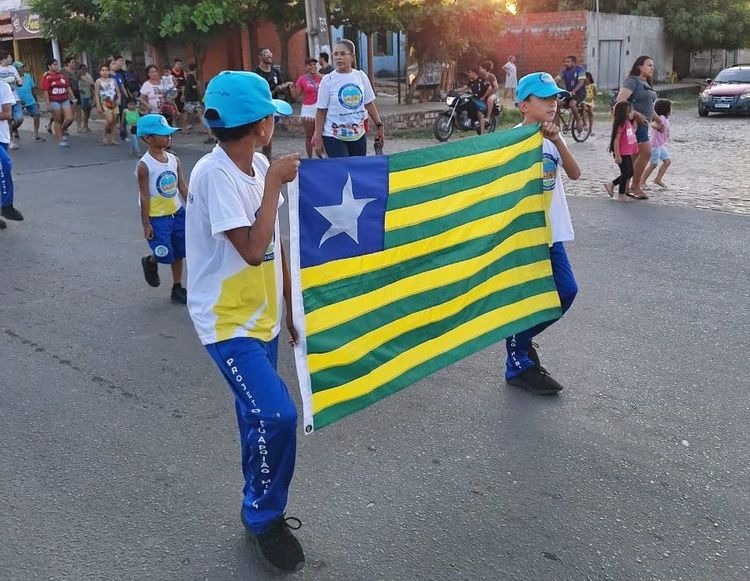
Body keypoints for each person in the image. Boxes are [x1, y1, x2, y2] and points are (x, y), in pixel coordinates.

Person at [185, 70, 303, 572]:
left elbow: (274, 247)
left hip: (264, 319)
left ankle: (256, 497)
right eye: (271, 117)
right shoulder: (216, 175)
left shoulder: (255, 163)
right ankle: (262, 515)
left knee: (255, 417)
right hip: (229, 326)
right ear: (259, 125)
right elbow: (253, 249)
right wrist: (276, 181)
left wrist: (289, 305)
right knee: (277, 416)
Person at [505, 72, 580, 395]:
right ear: (524, 105)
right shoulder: (510, 141)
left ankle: (519, 340)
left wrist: (558, 139)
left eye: (555, 98)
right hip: (524, 236)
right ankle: (518, 359)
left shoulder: (552, 139)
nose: (553, 104)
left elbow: (576, 173)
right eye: (544, 99)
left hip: (552, 233)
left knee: (566, 290)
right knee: (528, 297)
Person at [135, 113, 188, 304]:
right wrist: (146, 223)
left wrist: (193, 207)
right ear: (148, 138)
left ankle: (177, 286)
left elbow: (182, 187)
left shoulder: (174, 160)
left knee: (179, 251)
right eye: (163, 134)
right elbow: (144, 195)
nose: (168, 137)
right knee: (163, 252)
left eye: (169, 133)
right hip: (158, 217)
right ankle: (150, 262)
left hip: (177, 213)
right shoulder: (144, 165)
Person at [314, 39, 385, 158]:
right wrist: (318, 138)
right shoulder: (328, 80)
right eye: (335, 54)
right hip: (334, 136)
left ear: (352, 56)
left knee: (356, 171)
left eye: (342, 54)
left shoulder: (360, 76)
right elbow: (321, 111)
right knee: (342, 171)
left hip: (358, 136)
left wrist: (379, 125)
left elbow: (369, 104)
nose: (338, 58)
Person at [614, 55, 662, 199]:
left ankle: (624, 187)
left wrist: (657, 119)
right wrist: (635, 114)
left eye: (653, 65)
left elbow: (648, 106)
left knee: (633, 157)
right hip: (634, 124)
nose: (652, 68)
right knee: (646, 152)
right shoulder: (632, 81)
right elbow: (621, 101)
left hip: (644, 124)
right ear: (639, 67)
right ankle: (635, 186)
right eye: (649, 65)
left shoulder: (646, 83)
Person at [255, 48, 294, 159]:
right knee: (261, 133)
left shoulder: (275, 72)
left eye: (270, 53)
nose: (269, 55)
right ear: (260, 57)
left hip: (273, 106)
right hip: (260, 106)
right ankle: (260, 157)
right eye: (266, 53)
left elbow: (280, 86)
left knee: (268, 134)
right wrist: (274, 90)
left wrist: (285, 87)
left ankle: (267, 157)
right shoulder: (256, 73)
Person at [604, 101, 638, 203]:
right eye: (631, 111)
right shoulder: (621, 124)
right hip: (621, 153)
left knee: (630, 172)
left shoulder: (628, 123)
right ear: (624, 113)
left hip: (627, 152)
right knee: (625, 173)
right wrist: (617, 155)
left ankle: (611, 184)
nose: (633, 113)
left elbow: (632, 132)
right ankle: (621, 194)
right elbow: (616, 140)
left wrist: (637, 121)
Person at [0, 78, 22, 227]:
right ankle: (7, 206)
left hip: (2, 136)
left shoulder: (3, 86)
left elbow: (7, 113)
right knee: (4, 164)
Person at [40, 57, 77, 147]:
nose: (56, 66)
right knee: (58, 120)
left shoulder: (61, 75)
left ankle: (63, 130)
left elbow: (67, 87)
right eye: (54, 65)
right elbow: (45, 91)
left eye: (57, 64)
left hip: (64, 99)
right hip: (54, 100)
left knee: (69, 118)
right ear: (49, 66)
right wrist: (47, 104)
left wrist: (73, 98)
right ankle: (60, 139)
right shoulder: (46, 77)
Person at [293, 57, 322, 158]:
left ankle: (321, 156)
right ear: (306, 67)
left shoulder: (322, 78)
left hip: (320, 109)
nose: (313, 67)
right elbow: (295, 95)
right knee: (309, 135)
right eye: (310, 65)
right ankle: (310, 157)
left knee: (321, 134)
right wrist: (291, 87)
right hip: (308, 109)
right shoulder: (302, 79)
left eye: (315, 64)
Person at [641, 98, 672, 189]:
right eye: (670, 108)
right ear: (666, 109)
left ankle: (658, 179)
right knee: (653, 164)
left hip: (660, 145)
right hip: (654, 145)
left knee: (667, 161)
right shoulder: (661, 117)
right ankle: (641, 182)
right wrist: (658, 127)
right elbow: (653, 124)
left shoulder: (665, 118)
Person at [554, 55, 586, 132]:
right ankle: (557, 125)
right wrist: (549, 84)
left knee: (572, 104)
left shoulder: (580, 70)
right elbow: (557, 79)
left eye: (568, 62)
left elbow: (581, 83)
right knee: (556, 104)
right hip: (568, 93)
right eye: (565, 61)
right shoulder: (564, 72)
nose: (566, 63)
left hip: (579, 93)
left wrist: (574, 91)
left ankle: (578, 122)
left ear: (574, 63)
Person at [0, 51, 24, 149]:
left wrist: (19, 81)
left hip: (14, 97)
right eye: (9, 57)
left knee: (19, 119)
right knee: (7, 119)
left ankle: (13, 130)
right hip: (3, 99)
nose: (11, 59)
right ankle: (10, 140)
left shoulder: (13, 68)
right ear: (3, 59)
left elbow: (19, 80)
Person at [14, 61, 42, 142]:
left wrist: (36, 101)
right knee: (17, 119)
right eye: (20, 67)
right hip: (18, 101)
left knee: (36, 114)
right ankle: (15, 131)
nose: (22, 68)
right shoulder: (13, 78)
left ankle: (36, 133)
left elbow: (33, 89)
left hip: (30, 99)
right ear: (16, 69)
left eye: (23, 67)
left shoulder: (28, 76)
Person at [94, 64, 121, 145]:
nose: (105, 72)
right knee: (109, 120)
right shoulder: (98, 81)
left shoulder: (113, 80)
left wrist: (119, 99)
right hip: (105, 102)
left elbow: (118, 91)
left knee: (114, 121)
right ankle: (104, 136)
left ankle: (112, 138)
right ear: (100, 72)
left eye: (106, 70)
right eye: (103, 70)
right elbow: (96, 94)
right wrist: (98, 105)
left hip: (114, 102)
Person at [477, 61, 499, 134]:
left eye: (480, 68)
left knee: (489, 100)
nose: (479, 70)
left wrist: (487, 95)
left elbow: (496, 87)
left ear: (485, 69)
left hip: (492, 94)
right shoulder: (479, 76)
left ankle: (488, 117)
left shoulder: (491, 76)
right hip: (483, 94)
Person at [181, 63, 203, 133]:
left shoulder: (187, 77)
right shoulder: (191, 76)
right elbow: (193, 86)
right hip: (193, 99)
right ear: (195, 69)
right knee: (199, 114)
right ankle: (184, 129)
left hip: (189, 98)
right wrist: (198, 84)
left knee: (187, 113)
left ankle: (184, 128)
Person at [62, 57, 81, 133]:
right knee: (70, 111)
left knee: (79, 109)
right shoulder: (63, 71)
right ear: (67, 63)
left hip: (76, 91)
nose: (74, 64)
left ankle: (79, 126)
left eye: (74, 62)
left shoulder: (76, 72)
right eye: (72, 62)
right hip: (68, 92)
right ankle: (65, 126)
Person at [77, 63, 95, 133]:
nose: (84, 70)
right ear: (79, 70)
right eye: (82, 69)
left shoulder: (87, 75)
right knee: (85, 112)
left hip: (88, 95)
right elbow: (91, 82)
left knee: (88, 112)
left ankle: (86, 126)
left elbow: (91, 83)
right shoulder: (79, 76)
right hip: (82, 96)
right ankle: (84, 126)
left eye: (85, 69)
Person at [582, 71, 597, 136]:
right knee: (584, 107)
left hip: (590, 101)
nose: (584, 80)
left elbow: (595, 94)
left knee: (590, 112)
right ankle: (585, 124)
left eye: (585, 78)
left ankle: (590, 129)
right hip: (583, 101)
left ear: (589, 78)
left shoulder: (593, 85)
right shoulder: (582, 86)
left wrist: (594, 101)